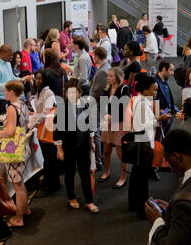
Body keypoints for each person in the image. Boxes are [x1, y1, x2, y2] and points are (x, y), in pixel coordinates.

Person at [53, 78, 99, 214]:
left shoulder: (85, 105)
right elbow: (57, 130)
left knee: (85, 173)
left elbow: (90, 124)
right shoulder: (62, 107)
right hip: (68, 146)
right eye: (69, 92)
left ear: (80, 92)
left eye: (74, 92)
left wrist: (91, 141)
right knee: (69, 174)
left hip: (83, 145)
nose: (71, 95)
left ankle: (89, 201)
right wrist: (59, 149)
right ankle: (71, 197)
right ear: (66, 93)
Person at [0, 80, 31, 227]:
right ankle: (25, 209)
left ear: (12, 92)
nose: (4, 93)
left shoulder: (12, 108)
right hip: (23, 146)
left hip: (14, 150)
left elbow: (11, 131)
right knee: (21, 183)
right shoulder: (23, 104)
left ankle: (19, 218)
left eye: (6, 91)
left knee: (17, 187)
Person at [129, 75, 171, 218]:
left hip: (140, 142)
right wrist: (158, 119)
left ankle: (133, 204)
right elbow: (141, 125)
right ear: (145, 90)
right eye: (154, 90)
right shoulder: (141, 104)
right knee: (141, 179)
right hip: (144, 143)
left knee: (136, 176)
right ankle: (142, 210)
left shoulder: (140, 101)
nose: (156, 93)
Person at [29, 69, 60, 193]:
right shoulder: (37, 92)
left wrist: (32, 124)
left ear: (45, 79)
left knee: (51, 159)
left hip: (49, 130)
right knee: (47, 158)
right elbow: (38, 112)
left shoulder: (49, 93)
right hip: (42, 129)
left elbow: (45, 113)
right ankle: (48, 182)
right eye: (36, 78)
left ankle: (54, 185)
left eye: (40, 78)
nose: (38, 81)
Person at [100, 67, 131, 189]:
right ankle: (106, 172)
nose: (108, 78)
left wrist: (111, 117)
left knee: (120, 152)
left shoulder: (125, 89)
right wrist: (105, 116)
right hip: (108, 122)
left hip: (120, 123)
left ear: (117, 77)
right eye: (108, 75)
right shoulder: (107, 89)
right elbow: (102, 105)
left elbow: (124, 106)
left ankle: (123, 177)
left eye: (111, 76)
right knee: (106, 151)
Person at [90, 47, 111, 170]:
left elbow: (97, 91)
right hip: (100, 104)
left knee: (95, 134)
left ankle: (98, 162)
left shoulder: (103, 71)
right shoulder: (105, 67)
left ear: (97, 56)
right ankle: (100, 159)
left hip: (98, 106)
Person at [155, 61, 175, 135]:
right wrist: (159, 116)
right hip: (161, 116)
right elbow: (153, 101)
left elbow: (168, 98)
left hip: (168, 112)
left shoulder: (165, 80)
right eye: (171, 70)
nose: (173, 73)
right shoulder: (155, 83)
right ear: (164, 69)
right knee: (160, 138)